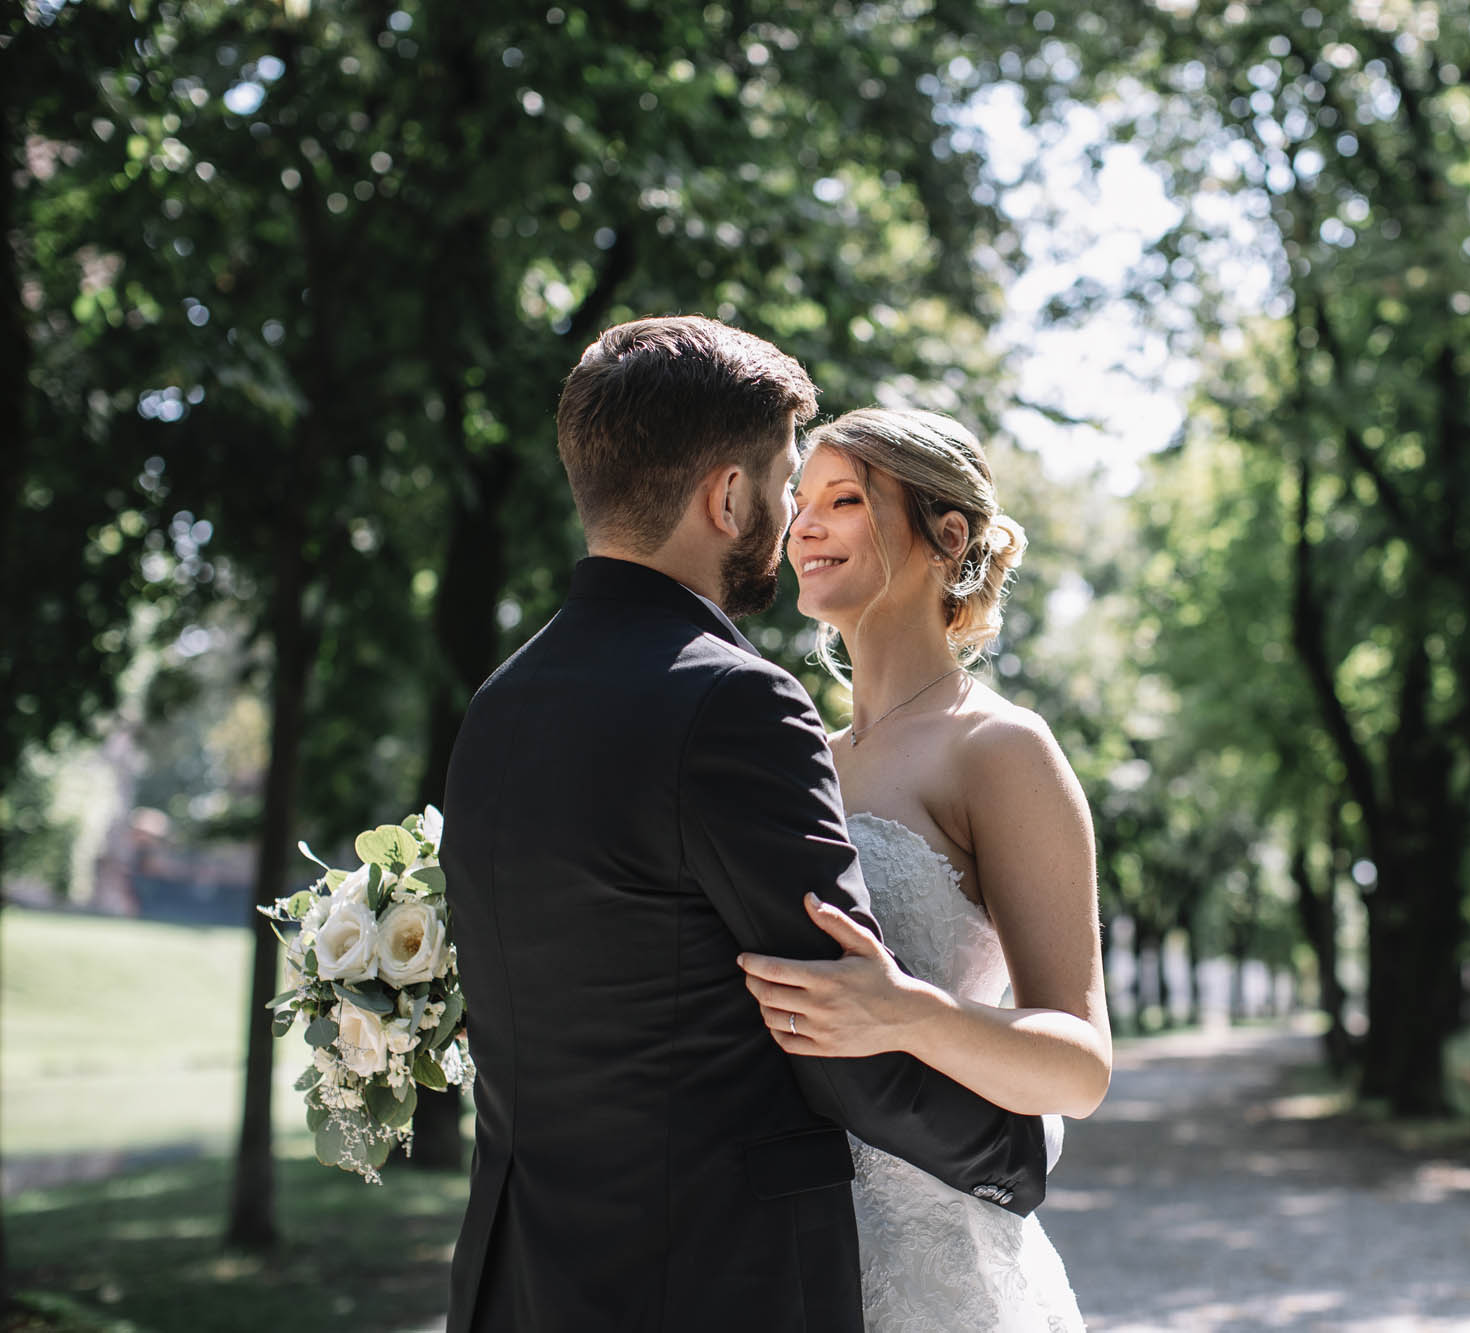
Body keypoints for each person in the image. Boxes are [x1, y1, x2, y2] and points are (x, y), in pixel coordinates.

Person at [440, 319, 1051, 1333]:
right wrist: (1016, 1162)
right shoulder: (734, 701)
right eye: (783, 484)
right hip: (708, 1280)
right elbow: (834, 1025)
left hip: (523, 1281)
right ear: (727, 499)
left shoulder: (497, 706)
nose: (790, 520)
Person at [738, 407, 1111, 1331]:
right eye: (800, 502)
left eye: (844, 499)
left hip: (944, 1274)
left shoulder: (1001, 749)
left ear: (947, 536)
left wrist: (907, 1011)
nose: (803, 526)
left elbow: (1079, 1068)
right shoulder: (801, 758)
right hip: (785, 1263)